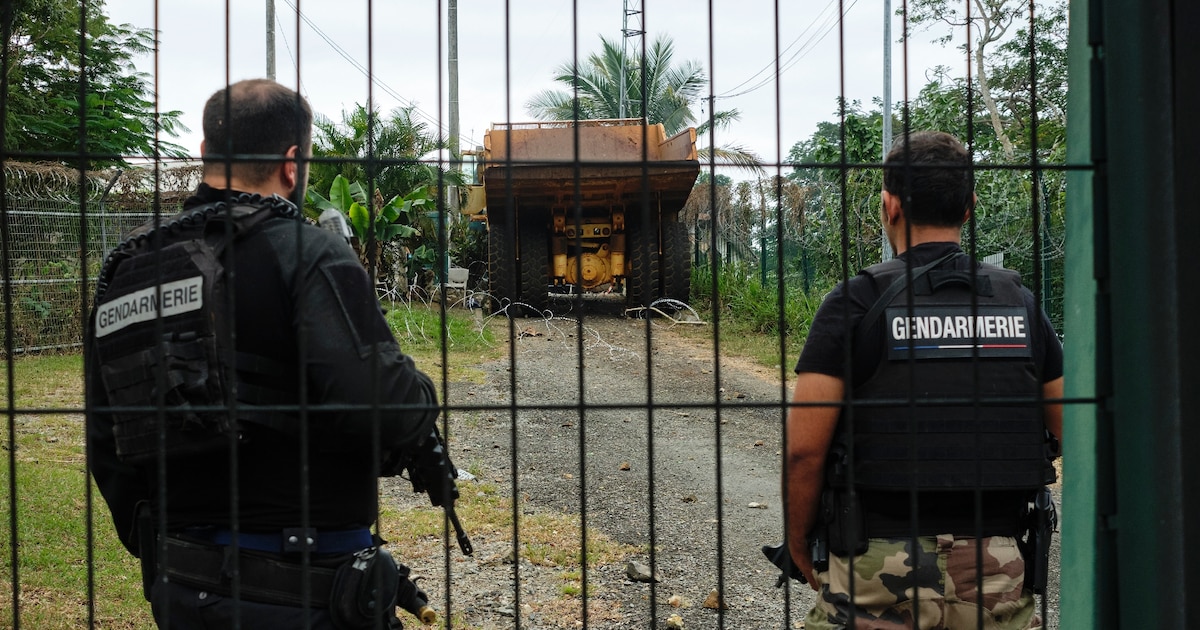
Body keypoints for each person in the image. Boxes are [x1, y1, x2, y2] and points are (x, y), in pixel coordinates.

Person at [86, 79, 444, 629]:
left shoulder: (125, 270)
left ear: (205, 154)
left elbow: (106, 441)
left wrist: (171, 548)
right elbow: (381, 404)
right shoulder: (308, 250)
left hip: (183, 589)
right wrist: (421, 395)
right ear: (292, 162)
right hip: (309, 590)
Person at [784, 131, 1063, 629]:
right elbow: (1071, 429)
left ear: (889, 206)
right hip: (995, 568)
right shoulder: (1019, 304)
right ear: (969, 207)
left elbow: (805, 450)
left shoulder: (853, 303)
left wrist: (798, 542)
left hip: (875, 566)